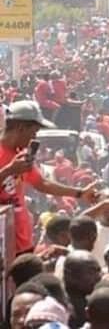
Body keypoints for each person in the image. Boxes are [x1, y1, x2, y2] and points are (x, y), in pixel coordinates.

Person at [0, 101, 98, 253]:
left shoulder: (20, 155)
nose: (34, 137)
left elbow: (42, 183)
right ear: (20, 128)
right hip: (3, 246)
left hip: (22, 242)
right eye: (34, 132)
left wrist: (79, 193)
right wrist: (8, 171)